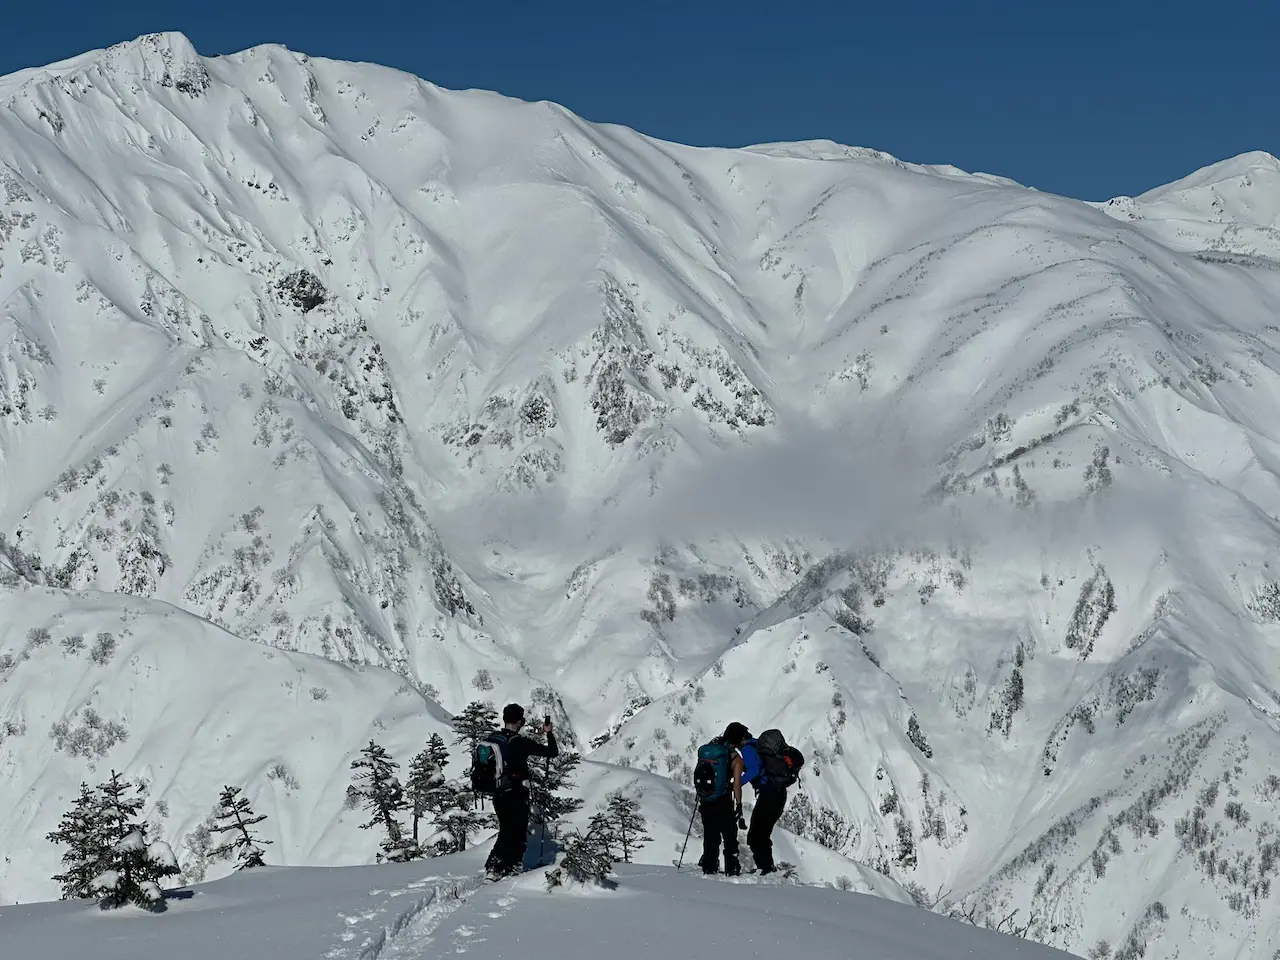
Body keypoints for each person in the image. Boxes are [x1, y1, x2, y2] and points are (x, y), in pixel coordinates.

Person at [483, 703, 559, 880]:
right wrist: (548, 732)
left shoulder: (494, 739)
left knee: (507, 829)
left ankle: (497, 866)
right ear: (520, 722)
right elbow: (552, 752)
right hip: (516, 793)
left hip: (497, 793)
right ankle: (504, 867)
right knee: (516, 832)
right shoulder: (520, 742)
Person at [739, 729, 796, 875]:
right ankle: (766, 867)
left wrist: (735, 784)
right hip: (777, 793)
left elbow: (753, 770)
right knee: (762, 832)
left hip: (769, 794)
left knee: (756, 834)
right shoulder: (759, 746)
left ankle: (765, 868)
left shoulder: (747, 749)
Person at [697, 722, 749, 875]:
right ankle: (731, 869)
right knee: (729, 836)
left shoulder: (710, 749)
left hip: (706, 799)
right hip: (723, 800)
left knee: (710, 836)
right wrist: (739, 805)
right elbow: (737, 785)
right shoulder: (734, 757)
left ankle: (709, 867)